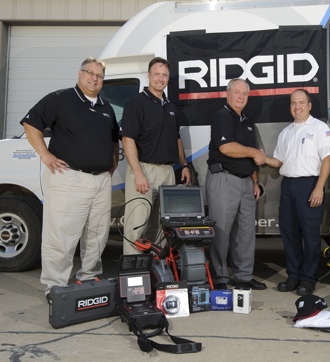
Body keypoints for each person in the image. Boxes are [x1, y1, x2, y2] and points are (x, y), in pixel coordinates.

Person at [20, 57, 119, 301]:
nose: (94, 78)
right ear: (80, 73)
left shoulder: (106, 107)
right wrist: (44, 154)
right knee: (61, 236)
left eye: (99, 75)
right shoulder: (60, 99)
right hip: (69, 179)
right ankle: (55, 287)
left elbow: (114, 138)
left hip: (101, 181)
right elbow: (30, 123)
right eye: (90, 73)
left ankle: (89, 277)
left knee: (97, 235)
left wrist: (112, 163)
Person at [258, 89, 330, 295]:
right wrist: (265, 159)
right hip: (288, 186)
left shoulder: (320, 128)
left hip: (310, 184)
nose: (297, 107)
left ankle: (308, 279)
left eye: (301, 103)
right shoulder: (286, 132)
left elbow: (328, 158)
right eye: (293, 103)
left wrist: (319, 187)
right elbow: (279, 162)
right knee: (289, 233)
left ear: (309, 106)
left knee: (310, 235)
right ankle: (293, 275)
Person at [121, 57, 191, 255]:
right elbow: (128, 140)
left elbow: (176, 138)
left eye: (165, 75)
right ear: (149, 76)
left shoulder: (170, 106)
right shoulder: (136, 104)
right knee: (137, 226)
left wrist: (184, 165)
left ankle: (154, 271)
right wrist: (138, 173)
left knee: (161, 228)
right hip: (144, 170)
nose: (160, 79)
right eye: (157, 74)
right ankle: (133, 276)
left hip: (167, 172)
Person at [206, 78, 267, 290]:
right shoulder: (222, 116)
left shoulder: (247, 122)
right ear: (228, 94)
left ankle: (243, 276)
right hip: (224, 180)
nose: (241, 96)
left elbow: (251, 159)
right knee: (221, 231)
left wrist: (255, 181)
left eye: (245, 93)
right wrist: (255, 152)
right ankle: (220, 277)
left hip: (245, 183)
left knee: (246, 233)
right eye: (237, 92)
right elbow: (226, 148)